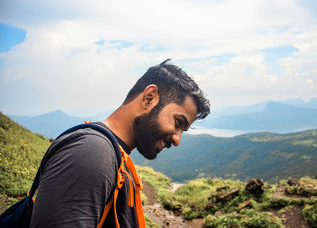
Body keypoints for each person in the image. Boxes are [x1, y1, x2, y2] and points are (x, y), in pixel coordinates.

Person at [30, 59, 210, 227]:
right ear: (149, 97)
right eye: (178, 122)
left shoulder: (112, 155)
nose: (177, 140)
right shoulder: (91, 153)